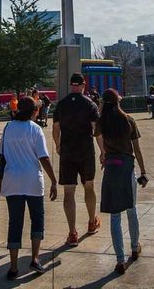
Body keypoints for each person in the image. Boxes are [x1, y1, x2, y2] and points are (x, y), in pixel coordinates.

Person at [0, 95, 57, 278]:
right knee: (37, 219)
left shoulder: (8, 128)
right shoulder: (35, 129)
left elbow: (2, 157)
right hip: (33, 181)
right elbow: (43, 157)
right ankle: (35, 259)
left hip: (12, 181)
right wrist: (53, 180)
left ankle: (13, 267)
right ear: (34, 111)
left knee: (15, 222)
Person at [95, 89, 146, 274]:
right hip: (127, 167)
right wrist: (144, 171)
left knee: (115, 215)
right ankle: (134, 247)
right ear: (117, 101)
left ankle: (119, 260)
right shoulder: (128, 120)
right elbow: (137, 149)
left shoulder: (101, 122)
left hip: (111, 167)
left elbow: (99, 143)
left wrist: (103, 153)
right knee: (131, 209)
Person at [53, 72, 103, 245]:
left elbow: (56, 129)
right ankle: (91, 221)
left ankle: (72, 232)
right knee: (89, 186)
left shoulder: (61, 105)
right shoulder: (90, 104)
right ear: (83, 85)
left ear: (70, 85)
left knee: (69, 191)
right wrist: (103, 150)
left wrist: (58, 146)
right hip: (86, 151)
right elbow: (96, 129)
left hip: (67, 151)